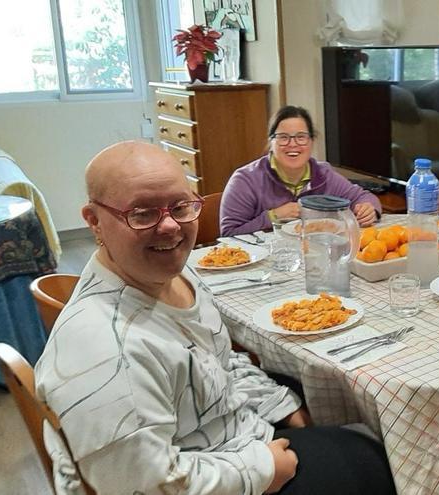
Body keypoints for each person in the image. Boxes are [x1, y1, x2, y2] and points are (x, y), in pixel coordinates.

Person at [35, 141, 395, 494]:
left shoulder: (174, 274)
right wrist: (261, 470)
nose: (171, 227)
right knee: (382, 465)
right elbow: (140, 485)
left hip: (230, 431)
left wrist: (283, 408)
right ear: (94, 221)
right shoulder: (103, 349)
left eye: (180, 207)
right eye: (142, 213)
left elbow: (219, 361)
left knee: (361, 437)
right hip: (216, 466)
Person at [220, 105, 382, 236]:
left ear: (311, 141)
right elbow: (228, 232)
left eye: (301, 137)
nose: (292, 144)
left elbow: (362, 196)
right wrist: (273, 217)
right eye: (283, 137)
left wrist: (369, 209)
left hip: (314, 255)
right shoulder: (245, 180)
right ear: (271, 142)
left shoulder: (323, 174)